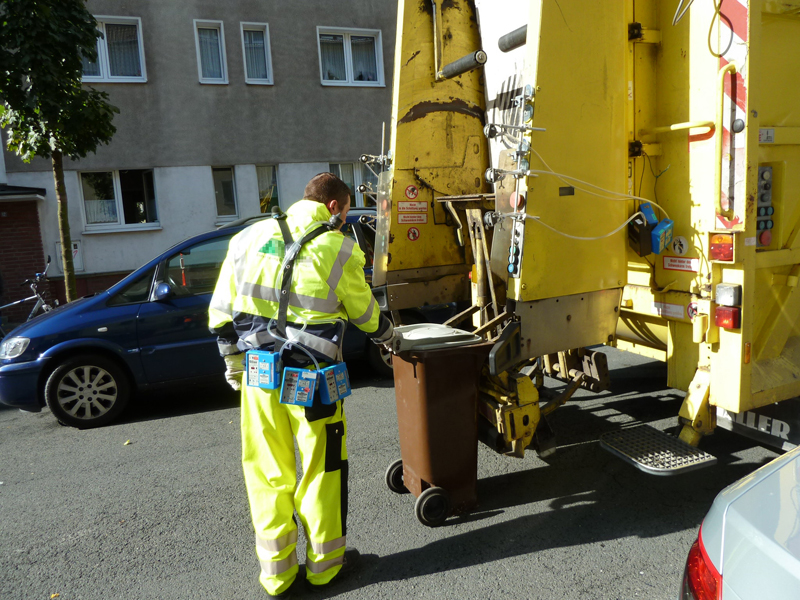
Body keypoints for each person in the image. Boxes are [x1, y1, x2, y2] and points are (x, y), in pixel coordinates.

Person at [209, 172, 394, 598]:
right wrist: (390, 338)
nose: (345, 220)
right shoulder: (337, 247)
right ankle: (325, 568)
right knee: (321, 468)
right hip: (311, 379)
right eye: (346, 213)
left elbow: (221, 311)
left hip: (259, 372)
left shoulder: (247, 237)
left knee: (266, 470)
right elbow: (365, 313)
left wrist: (232, 361)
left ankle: (278, 575)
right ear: (334, 206)